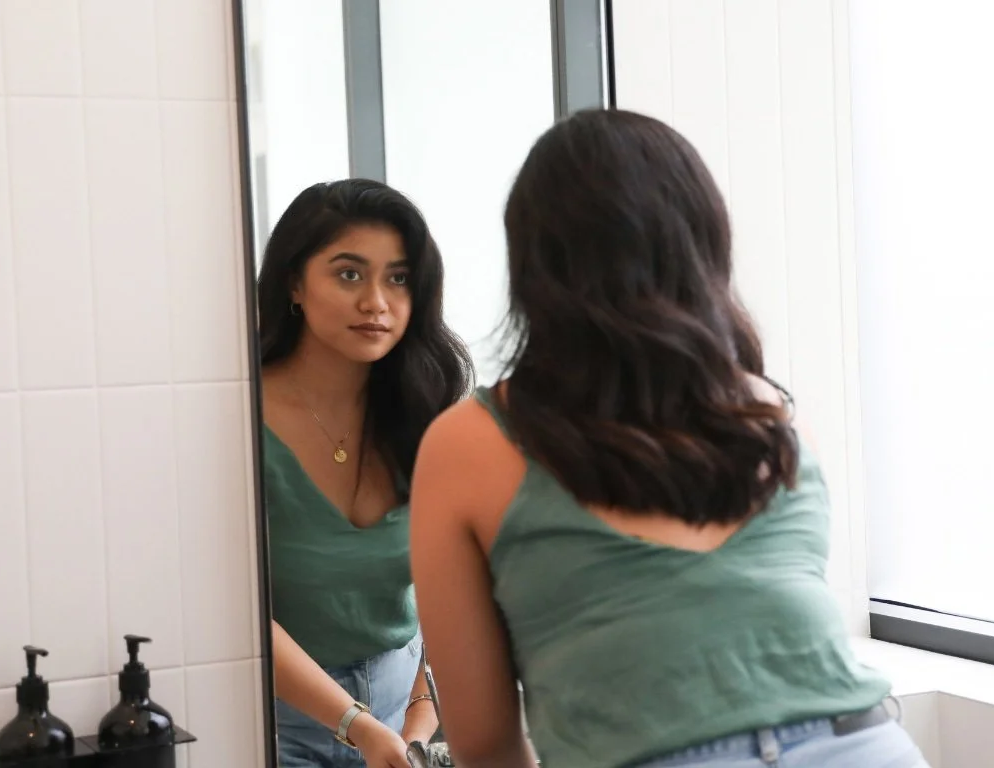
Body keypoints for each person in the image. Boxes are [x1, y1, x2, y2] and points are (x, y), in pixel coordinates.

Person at [407, 111, 930, 767]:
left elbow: (485, 745)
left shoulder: (468, 444)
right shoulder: (770, 414)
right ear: (702, 245)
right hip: (863, 745)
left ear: (535, 263)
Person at [258, 179, 473, 767]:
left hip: (401, 716)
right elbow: (235, 611)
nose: (376, 300)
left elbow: (454, 593)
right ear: (294, 284)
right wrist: (355, 722)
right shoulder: (238, 418)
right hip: (276, 718)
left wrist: (416, 724)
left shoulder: (428, 411)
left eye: (398, 278)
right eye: (349, 274)